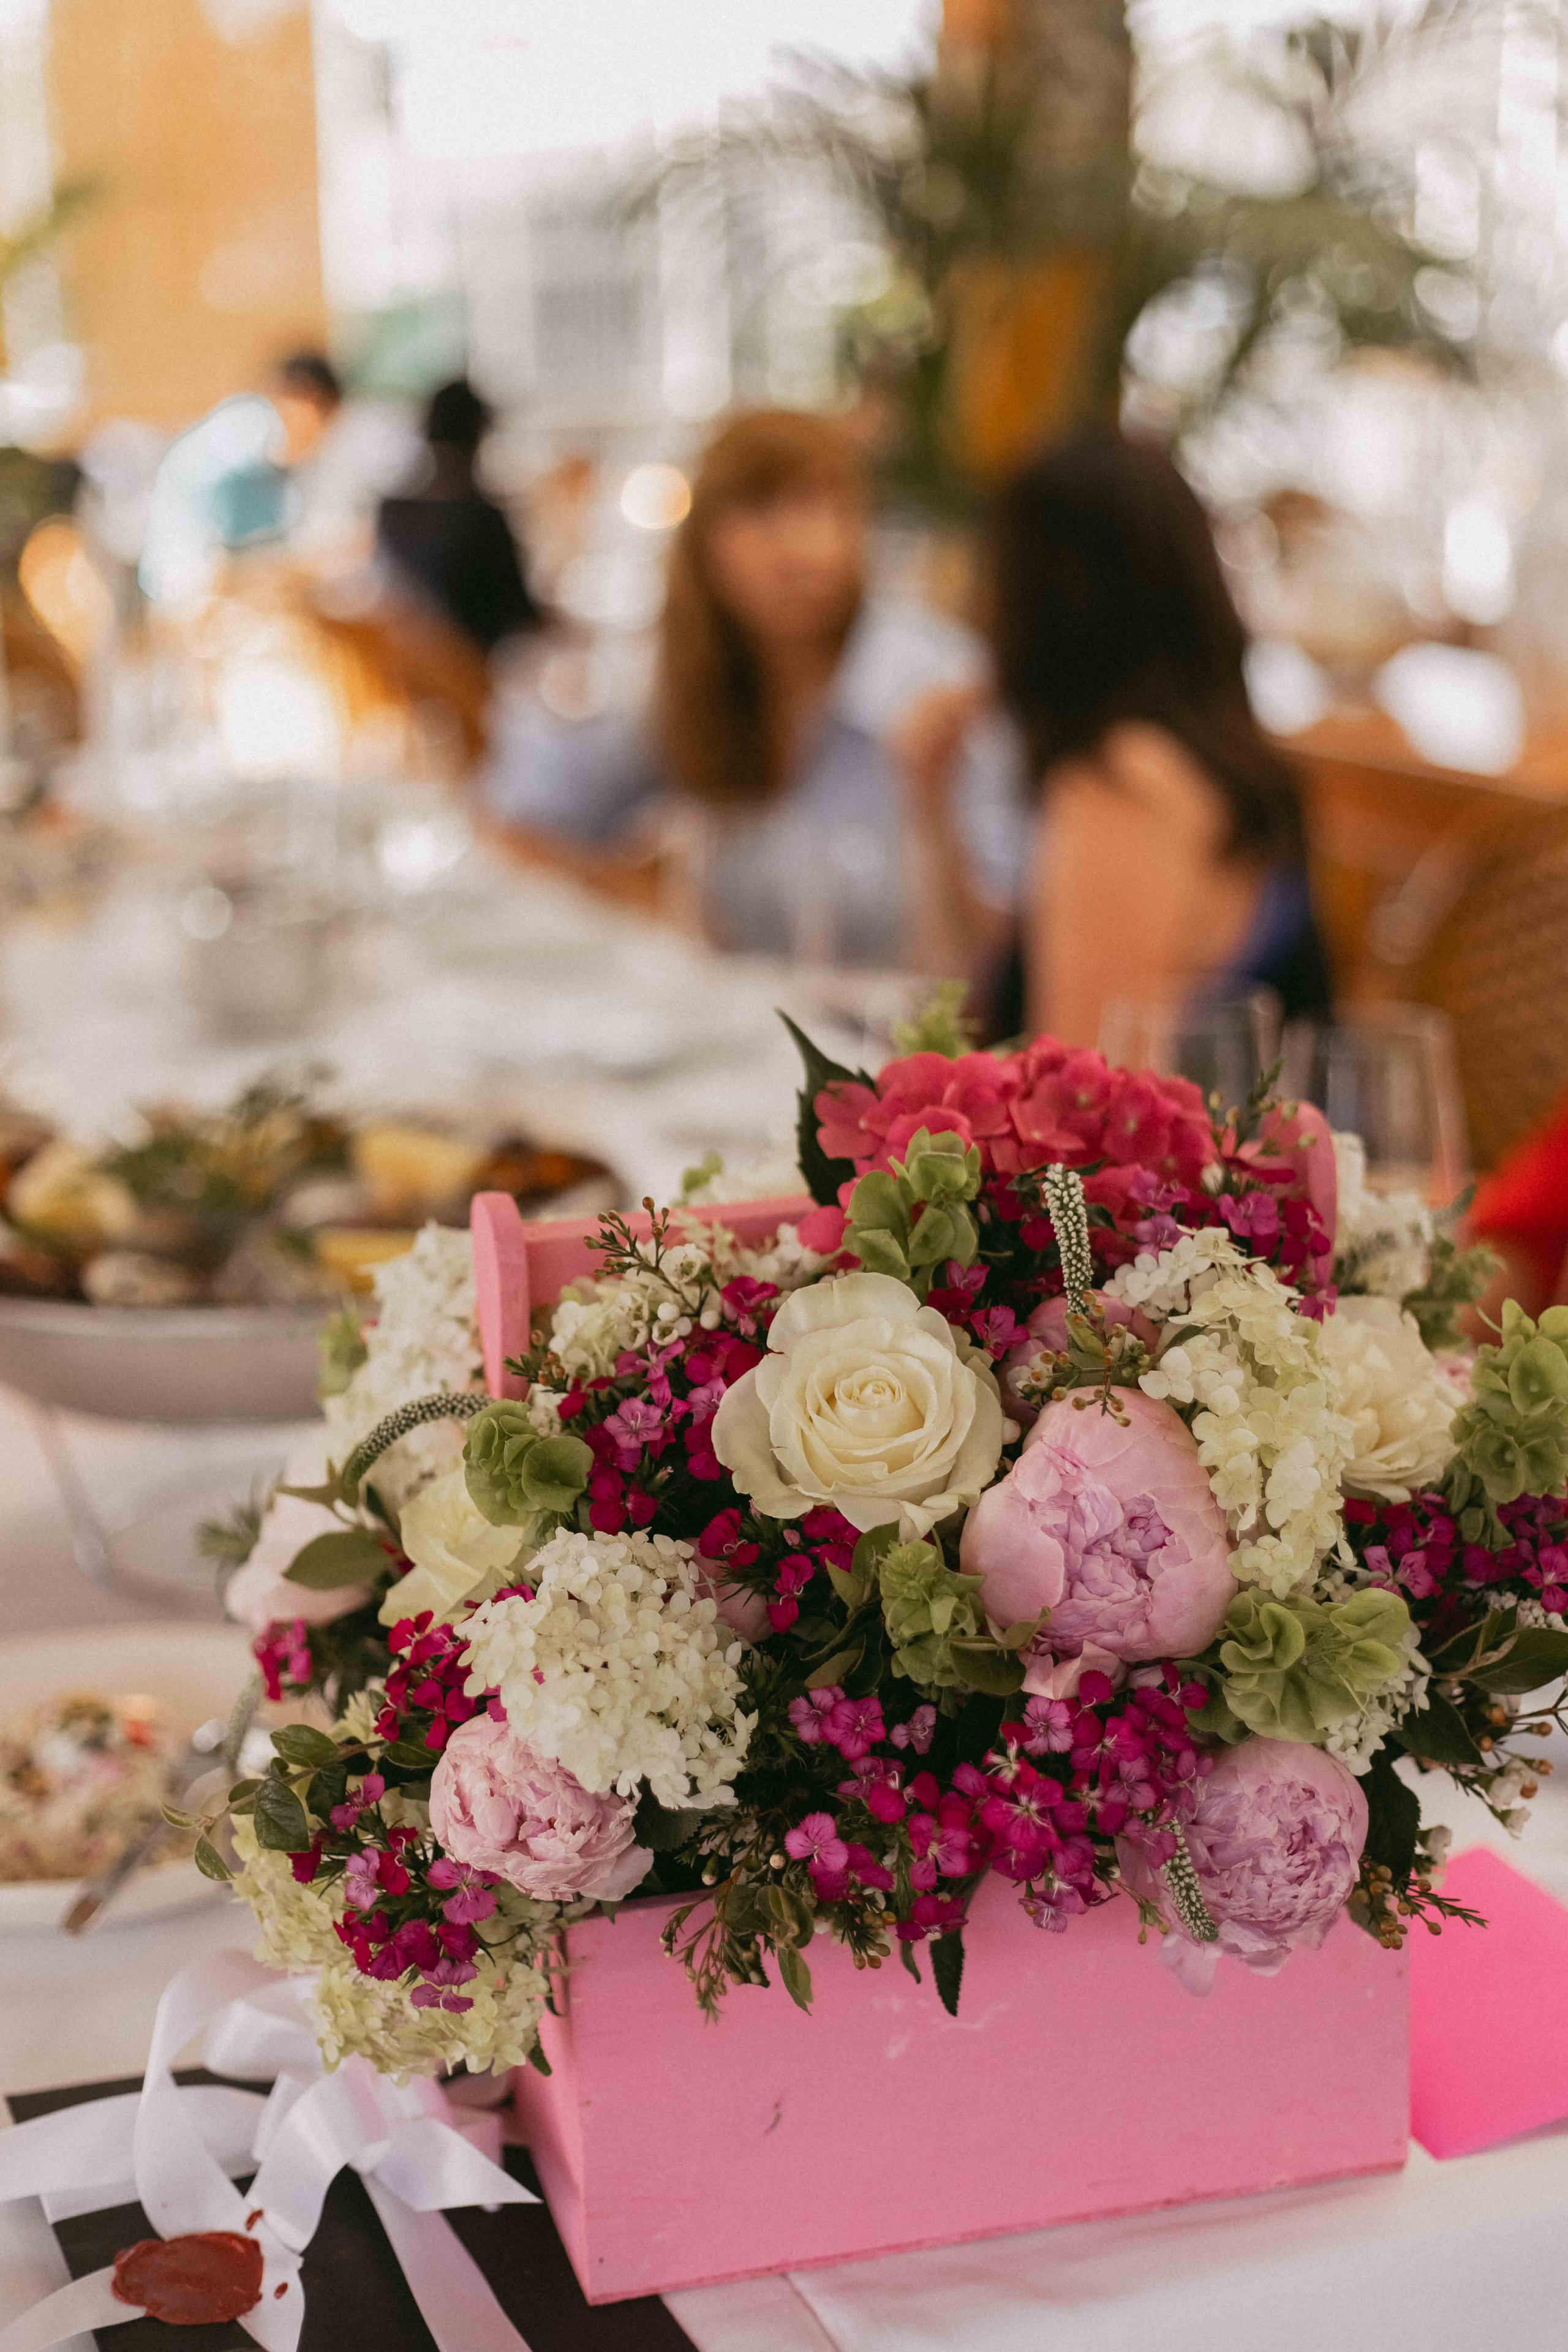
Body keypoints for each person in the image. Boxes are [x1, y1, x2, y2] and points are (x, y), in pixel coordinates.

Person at [481, 408, 1023, 965]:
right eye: (761, 511)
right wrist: (636, 906)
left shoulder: (940, 684)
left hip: (907, 1018)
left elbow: (1005, 947)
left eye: (827, 506)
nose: (802, 548)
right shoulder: (695, 688)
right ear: (704, 543)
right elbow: (526, 820)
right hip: (744, 1016)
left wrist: (933, 804)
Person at [902, 426, 1331, 1045]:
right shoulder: (1198, 758)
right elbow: (979, 991)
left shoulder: (1123, 785)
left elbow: (1079, 1077)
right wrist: (932, 803)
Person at [376, 379, 543, 657]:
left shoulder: (391, 511)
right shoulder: (482, 520)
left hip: (405, 665)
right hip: (470, 670)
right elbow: (520, 614)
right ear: (480, 436)